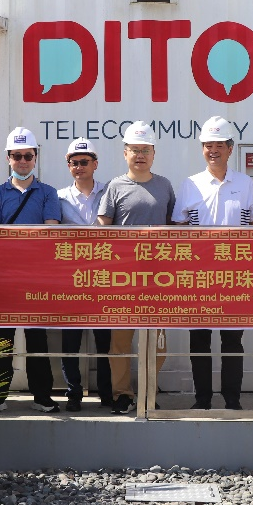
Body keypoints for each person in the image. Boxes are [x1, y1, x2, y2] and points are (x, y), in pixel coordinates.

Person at [172, 116, 253, 411]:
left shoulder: (245, 183)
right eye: (208, 145)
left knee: (232, 341)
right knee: (199, 341)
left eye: (219, 145)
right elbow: (179, 228)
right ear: (202, 149)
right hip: (198, 277)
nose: (213, 151)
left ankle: (232, 400)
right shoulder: (191, 184)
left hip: (235, 277)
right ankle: (202, 399)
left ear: (230, 149)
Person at [0, 127, 61, 414]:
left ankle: (42, 396)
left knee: (37, 338)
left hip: (36, 277)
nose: (23, 161)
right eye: (17, 156)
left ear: (35, 157)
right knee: (0, 339)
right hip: (2, 278)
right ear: (8, 158)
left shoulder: (48, 193)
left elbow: (50, 232)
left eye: (28, 156)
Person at [98, 121, 174, 415]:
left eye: (145, 150)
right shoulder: (115, 186)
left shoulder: (164, 186)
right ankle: (122, 394)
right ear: (125, 153)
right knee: (120, 341)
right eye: (134, 150)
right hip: (123, 277)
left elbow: (173, 227)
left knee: (157, 341)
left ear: (153, 153)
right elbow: (103, 229)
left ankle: (148, 391)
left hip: (159, 277)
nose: (140, 155)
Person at [57, 137, 112, 412]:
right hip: (72, 279)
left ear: (95, 164)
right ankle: (74, 392)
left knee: (105, 342)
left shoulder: (109, 192)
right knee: (70, 342)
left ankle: (107, 393)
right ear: (68, 166)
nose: (79, 167)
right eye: (74, 162)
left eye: (84, 162)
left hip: (104, 278)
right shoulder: (59, 197)